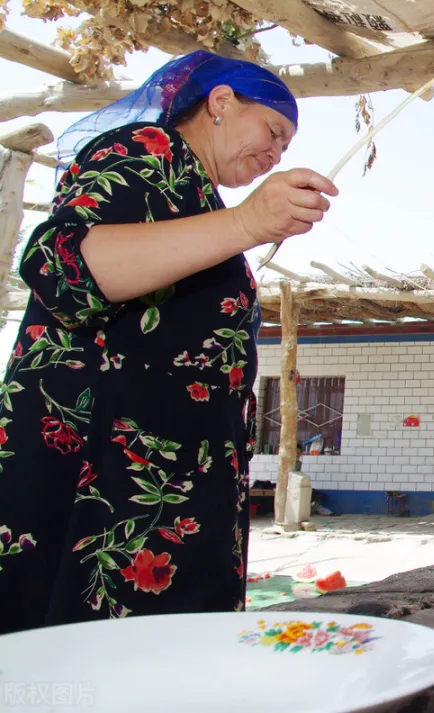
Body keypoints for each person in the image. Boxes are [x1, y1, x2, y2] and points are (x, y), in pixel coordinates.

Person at [0, 50, 338, 634]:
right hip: (105, 492)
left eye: (286, 145)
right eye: (273, 130)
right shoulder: (146, 151)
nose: (277, 152)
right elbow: (64, 268)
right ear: (222, 102)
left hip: (165, 496)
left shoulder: (196, 197)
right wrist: (248, 224)